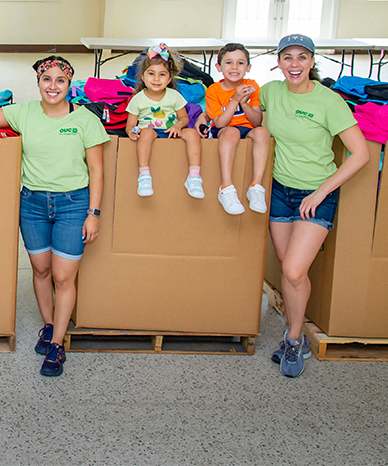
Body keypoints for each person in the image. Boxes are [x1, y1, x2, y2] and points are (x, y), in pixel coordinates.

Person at [0, 56, 109, 377]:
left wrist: (93, 213)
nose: (53, 86)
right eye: (46, 79)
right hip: (32, 203)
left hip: (73, 203)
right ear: (37, 82)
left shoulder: (86, 120)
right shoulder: (23, 112)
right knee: (40, 270)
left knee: (63, 277)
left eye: (60, 81)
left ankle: (57, 345)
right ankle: (49, 326)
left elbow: (98, 170)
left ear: (69, 84)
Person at [262, 34, 369, 378]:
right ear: (278, 61)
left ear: (312, 62)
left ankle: (294, 339)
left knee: (293, 271)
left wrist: (321, 192)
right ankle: (298, 333)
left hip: (315, 194)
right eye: (288, 57)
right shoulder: (270, 92)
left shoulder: (329, 101)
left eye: (302, 57)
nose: (295, 64)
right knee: (288, 267)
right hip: (280, 191)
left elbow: (361, 154)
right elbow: (254, 120)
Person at [124, 43, 204, 199]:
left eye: (162, 74)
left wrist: (179, 125)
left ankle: (194, 177)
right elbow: (130, 125)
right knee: (146, 132)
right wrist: (131, 132)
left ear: (169, 79)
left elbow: (184, 118)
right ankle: (144, 175)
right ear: (142, 77)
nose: (156, 79)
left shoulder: (174, 95)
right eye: (151, 74)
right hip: (150, 133)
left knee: (193, 134)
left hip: (171, 132)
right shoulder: (137, 99)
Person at [206, 42, 271, 215]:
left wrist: (244, 102)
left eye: (240, 63)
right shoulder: (213, 90)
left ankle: (256, 187)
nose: (234, 67)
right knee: (232, 131)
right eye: (228, 62)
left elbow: (257, 121)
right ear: (219, 67)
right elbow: (220, 124)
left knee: (263, 132)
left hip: (247, 128)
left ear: (248, 67)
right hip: (224, 129)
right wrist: (234, 100)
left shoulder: (252, 85)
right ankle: (226, 187)